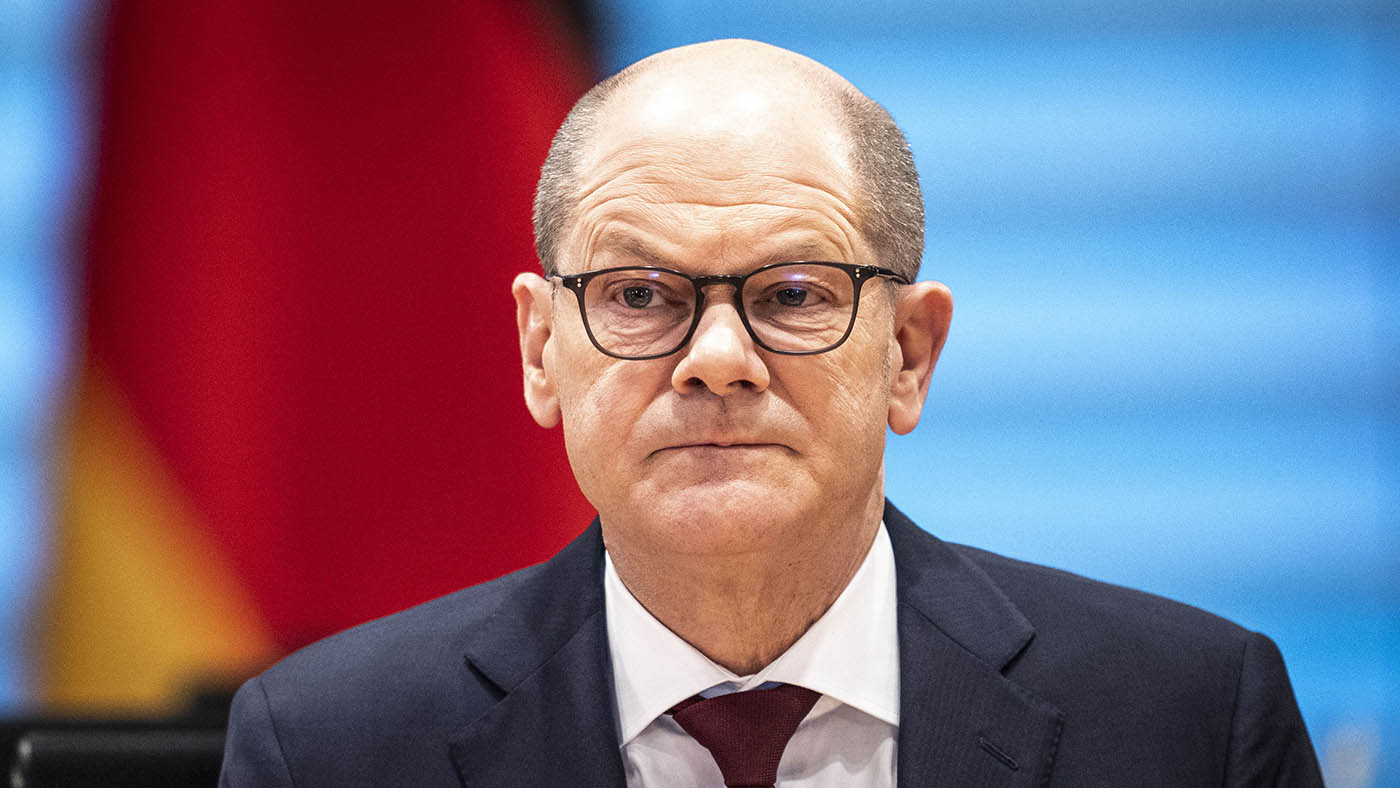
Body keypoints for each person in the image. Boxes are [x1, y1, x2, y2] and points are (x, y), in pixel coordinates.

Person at [219, 39, 1322, 787]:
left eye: (792, 295)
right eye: (638, 295)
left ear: (908, 354)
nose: (716, 361)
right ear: (540, 350)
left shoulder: (1189, 723)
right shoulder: (329, 748)